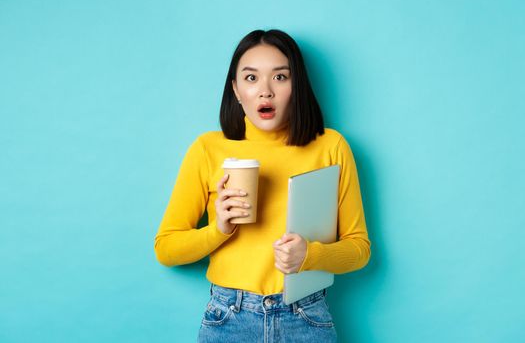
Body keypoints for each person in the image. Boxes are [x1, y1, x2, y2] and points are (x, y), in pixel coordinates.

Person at [154, 29, 371, 342]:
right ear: (236, 90)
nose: (265, 91)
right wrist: (220, 229)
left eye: (281, 77)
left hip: (305, 317)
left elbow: (359, 248)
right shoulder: (207, 149)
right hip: (229, 317)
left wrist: (309, 256)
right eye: (251, 78)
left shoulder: (330, 146)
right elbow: (166, 248)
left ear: (297, 87)